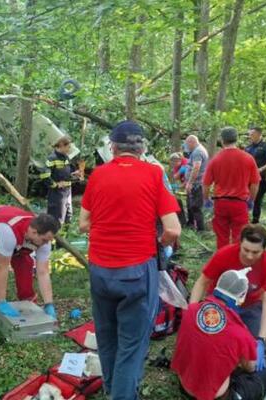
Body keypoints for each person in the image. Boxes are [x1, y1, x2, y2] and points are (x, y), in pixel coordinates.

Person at [79, 120, 181, 400]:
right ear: (142, 148)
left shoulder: (97, 175)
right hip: (137, 268)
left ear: (112, 147)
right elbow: (173, 229)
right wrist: (156, 243)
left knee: (107, 336)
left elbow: (83, 224)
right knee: (132, 344)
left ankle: (113, 389)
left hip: (100, 268)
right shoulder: (153, 174)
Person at [172, 267, 266, 400]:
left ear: (217, 286)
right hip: (217, 396)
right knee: (263, 374)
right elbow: (250, 368)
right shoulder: (240, 333)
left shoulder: (190, 310)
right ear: (241, 297)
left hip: (184, 386)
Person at [189, 225, 266, 352]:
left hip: (250, 307)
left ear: (264, 249)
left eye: (255, 252)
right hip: (220, 304)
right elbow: (202, 282)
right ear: (240, 244)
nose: (249, 256)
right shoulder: (224, 254)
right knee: (210, 344)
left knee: (249, 349)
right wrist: (192, 311)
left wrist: (262, 339)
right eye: (246, 250)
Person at [0, 205, 60, 317]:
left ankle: (27, 301)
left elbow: (43, 271)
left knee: (25, 263)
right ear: (34, 232)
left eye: (47, 241)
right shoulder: (8, 233)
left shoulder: (43, 239)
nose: (45, 244)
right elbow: (2, 267)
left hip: (15, 232)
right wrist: (2, 302)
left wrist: (49, 303)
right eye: (44, 240)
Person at [203, 127, 260, 249]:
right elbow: (255, 183)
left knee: (222, 236)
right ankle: (236, 262)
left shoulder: (215, 160)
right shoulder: (248, 158)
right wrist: (251, 200)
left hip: (221, 203)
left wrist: (206, 200)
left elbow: (206, 184)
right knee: (239, 236)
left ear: (222, 140)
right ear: (237, 139)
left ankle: (223, 261)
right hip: (239, 203)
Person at [40, 135, 79, 224]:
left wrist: (74, 174)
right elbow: (44, 175)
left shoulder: (66, 157)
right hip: (57, 194)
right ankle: (53, 237)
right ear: (61, 145)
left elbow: (66, 173)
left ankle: (64, 236)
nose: (69, 149)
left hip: (67, 192)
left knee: (68, 216)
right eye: (68, 147)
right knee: (56, 218)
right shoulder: (52, 158)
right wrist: (55, 185)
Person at [245, 127, 266, 224]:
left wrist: (261, 169)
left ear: (259, 134)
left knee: (257, 200)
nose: (250, 136)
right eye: (249, 134)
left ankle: (255, 221)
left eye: (252, 134)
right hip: (247, 179)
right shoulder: (248, 148)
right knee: (244, 198)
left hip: (260, 179)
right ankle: (244, 219)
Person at [184, 135, 209, 231]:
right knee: (190, 205)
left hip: (197, 184)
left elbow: (196, 167)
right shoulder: (197, 150)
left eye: (187, 144)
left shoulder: (198, 152)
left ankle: (200, 230)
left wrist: (190, 183)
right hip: (195, 183)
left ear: (192, 142)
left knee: (196, 207)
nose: (187, 147)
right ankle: (190, 224)